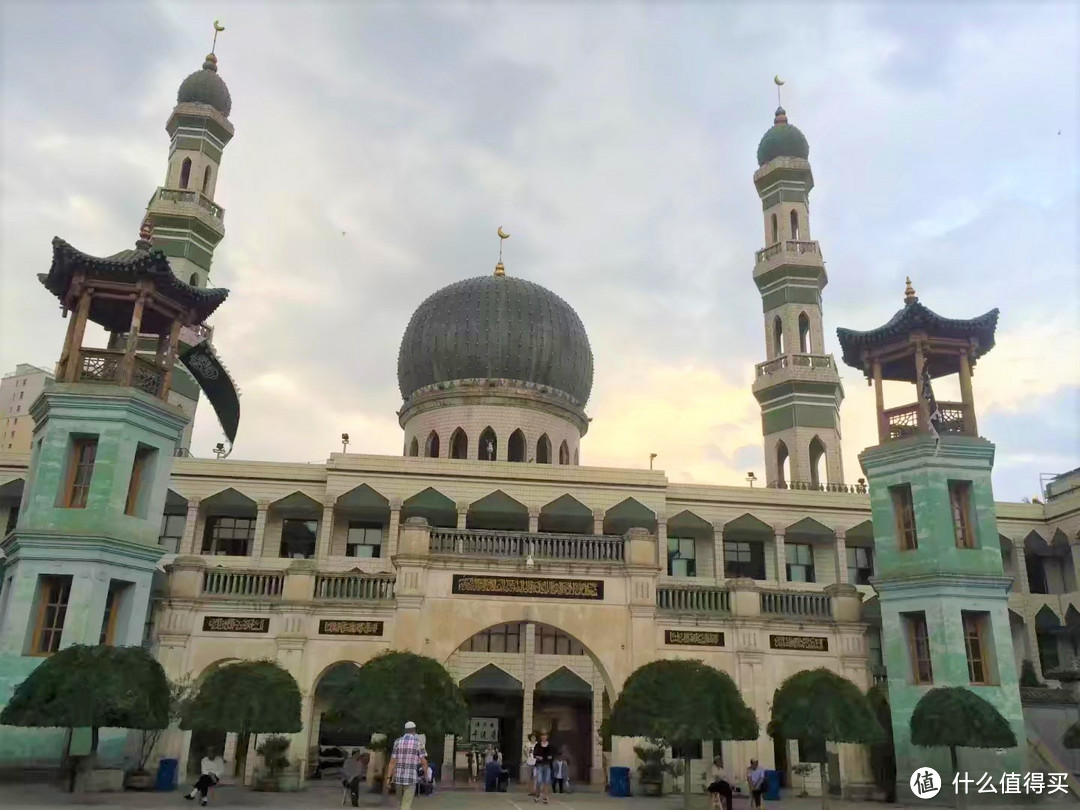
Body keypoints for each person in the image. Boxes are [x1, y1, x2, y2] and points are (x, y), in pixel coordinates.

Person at [386, 721, 428, 810]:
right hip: (411, 779)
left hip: (398, 778)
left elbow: (392, 762)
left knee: (399, 803)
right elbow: (423, 762)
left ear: (405, 730)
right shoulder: (418, 743)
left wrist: (388, 778)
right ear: (414, 730)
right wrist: (426, 775)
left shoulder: (397, 742)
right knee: (406, 805)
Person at [532, 731, 554, 804]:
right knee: (539, 780)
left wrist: (551, 757)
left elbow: (553, 754)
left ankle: (545, 797)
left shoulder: (550, 745)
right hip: (539, 765)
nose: (544, 737)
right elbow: (534, 754)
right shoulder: (538, 745)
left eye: (545, 736)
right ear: (541, 737)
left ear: (546, 737)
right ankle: (538, 794)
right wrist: (538, 757)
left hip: (547, 765)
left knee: (546, 781)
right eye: (542, 736)